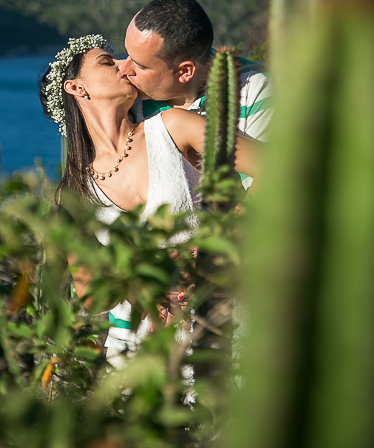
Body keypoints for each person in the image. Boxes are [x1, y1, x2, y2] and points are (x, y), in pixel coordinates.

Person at [38, 34, 261, 365]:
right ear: (75, 88)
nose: (123, 65)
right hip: (149, 354)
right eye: (106, 61)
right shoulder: (74, 191)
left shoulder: (173, 126)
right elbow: (93, 296)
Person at [119, 0, 272, 189]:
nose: (123, 69)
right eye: (127, 54)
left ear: (184, 72)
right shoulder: (128, 95)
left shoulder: (258, 89)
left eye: (140, 65)